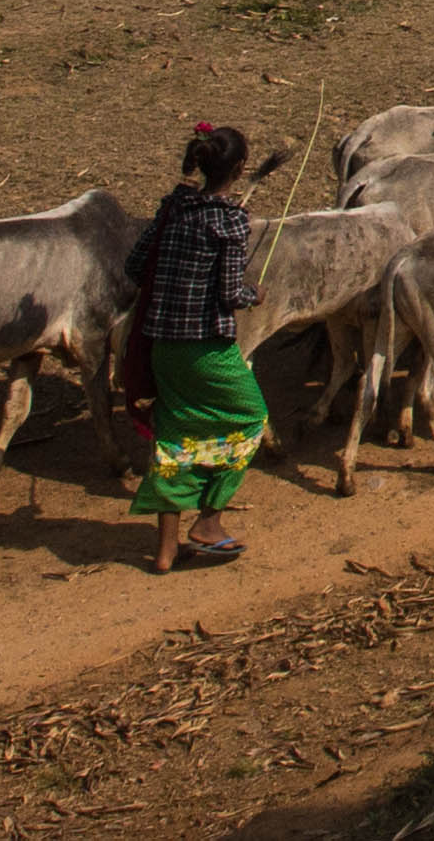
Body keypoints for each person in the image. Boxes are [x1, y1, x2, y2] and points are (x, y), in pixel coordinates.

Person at [124, 124, 266, 572]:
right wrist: (253, 294)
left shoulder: (174, 206)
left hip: (161, 344)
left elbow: (133, 265)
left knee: (174, 435)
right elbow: (228, 294)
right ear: (241, 170)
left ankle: (165, 551)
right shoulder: (230, 220)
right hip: (206, 350)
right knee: (249, 418)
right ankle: (209, 521)